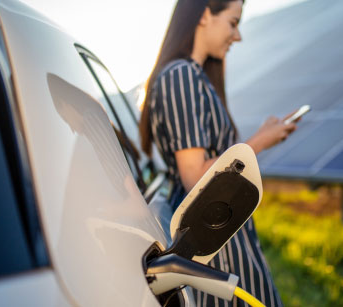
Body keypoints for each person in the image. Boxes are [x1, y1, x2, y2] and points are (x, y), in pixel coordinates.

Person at [140, 0, 298, 306]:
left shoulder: (194, 78)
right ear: (203, 15)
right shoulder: (181, 77)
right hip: (218, 252)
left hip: (223, 243)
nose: (237, 36)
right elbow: (194, 176)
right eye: (233, 22)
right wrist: (260, 141)